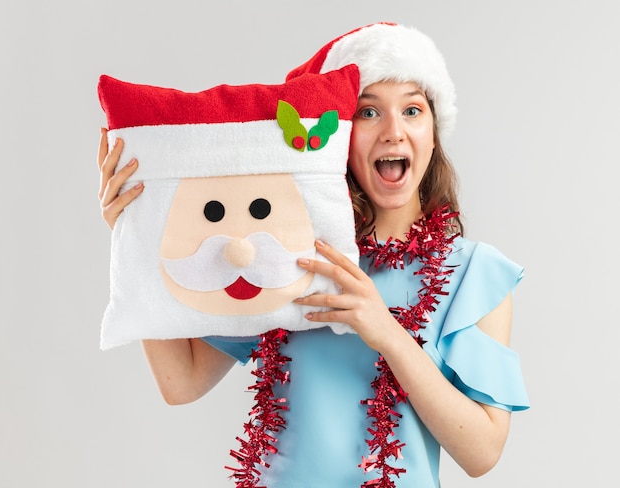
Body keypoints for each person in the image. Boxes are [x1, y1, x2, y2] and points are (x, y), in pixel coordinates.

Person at [97, 22, 528, 487]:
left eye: (412, 110)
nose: (393, 132)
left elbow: (483, 452)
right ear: (339, 135)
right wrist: (135, 234)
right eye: (368, 112)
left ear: (434, 131)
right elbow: (180, 384)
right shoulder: (290, 253)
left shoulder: (472, 273)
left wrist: (388, 332)